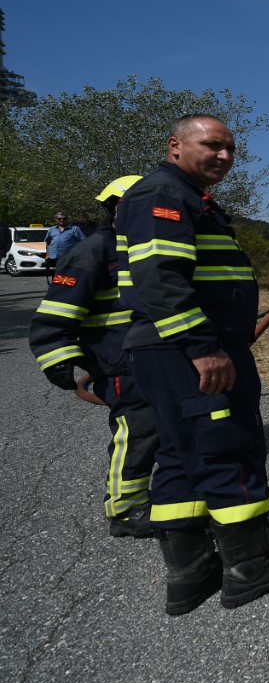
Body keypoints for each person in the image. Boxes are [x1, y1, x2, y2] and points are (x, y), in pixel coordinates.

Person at [115, 113, 269, 616]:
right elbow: (161, 279)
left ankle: (190, 574)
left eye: (231, 149)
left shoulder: (183, 196)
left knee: (181, 456)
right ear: (175, 146)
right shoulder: (162, 195)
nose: (225, 157)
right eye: (213, 146)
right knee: (226, 449)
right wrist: (203, 346)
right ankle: (250, 568)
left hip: (171, 350)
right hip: (192, 351)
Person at [28, 176, 158, 538]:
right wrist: (57, 357)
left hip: (151, 355)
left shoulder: (148, 246)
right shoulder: (95, 249)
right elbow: (54, 314)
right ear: (117, 207)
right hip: (116, 358)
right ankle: (126, 508)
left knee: (160, 428)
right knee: (137, 430)